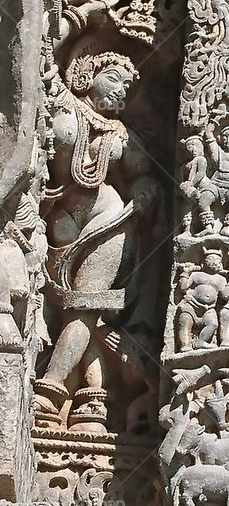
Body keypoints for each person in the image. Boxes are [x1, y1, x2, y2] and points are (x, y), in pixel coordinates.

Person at [34, 41, 161, 432]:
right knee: (61, 306)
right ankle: (93, 395)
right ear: (86, 75)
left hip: (108, 216)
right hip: (54, 214)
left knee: (85, 305)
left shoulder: (120, 132)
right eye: (113, 78)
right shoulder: (61, 101)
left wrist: (145, 188)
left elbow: (143, 170)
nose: (120, 90)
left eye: (127, 86)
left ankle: (51, 389)